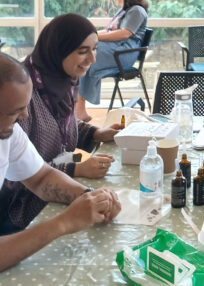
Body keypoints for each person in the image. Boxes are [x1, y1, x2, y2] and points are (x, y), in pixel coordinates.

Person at [0, 14, 121, 235]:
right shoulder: (18, 93)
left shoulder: (63, 83)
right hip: (15, 212)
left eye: (95, 49)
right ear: (58, 49)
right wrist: (76, 169)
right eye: (83, 51)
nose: (92, 59)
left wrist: (90, 195)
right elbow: (16, 180)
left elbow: (41, 174)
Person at [76, 0, 149, 122]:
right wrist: (89, 35)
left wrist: (94, 37)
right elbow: (110, 31)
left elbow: (124, 34)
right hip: (118, 48)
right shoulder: (125, 10)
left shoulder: (137, 10)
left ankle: (79, 109)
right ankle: (79, 108)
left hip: (124, 52)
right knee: (83, 52)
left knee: (85, 54)